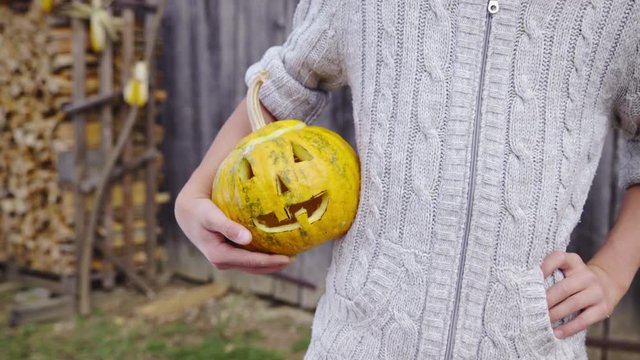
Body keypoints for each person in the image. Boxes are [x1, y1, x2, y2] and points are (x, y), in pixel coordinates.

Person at [175, 0, 640, 358]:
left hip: (530, 343)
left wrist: (612, 273)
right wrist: (196, 194)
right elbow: (283, 85)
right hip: (360, 340)